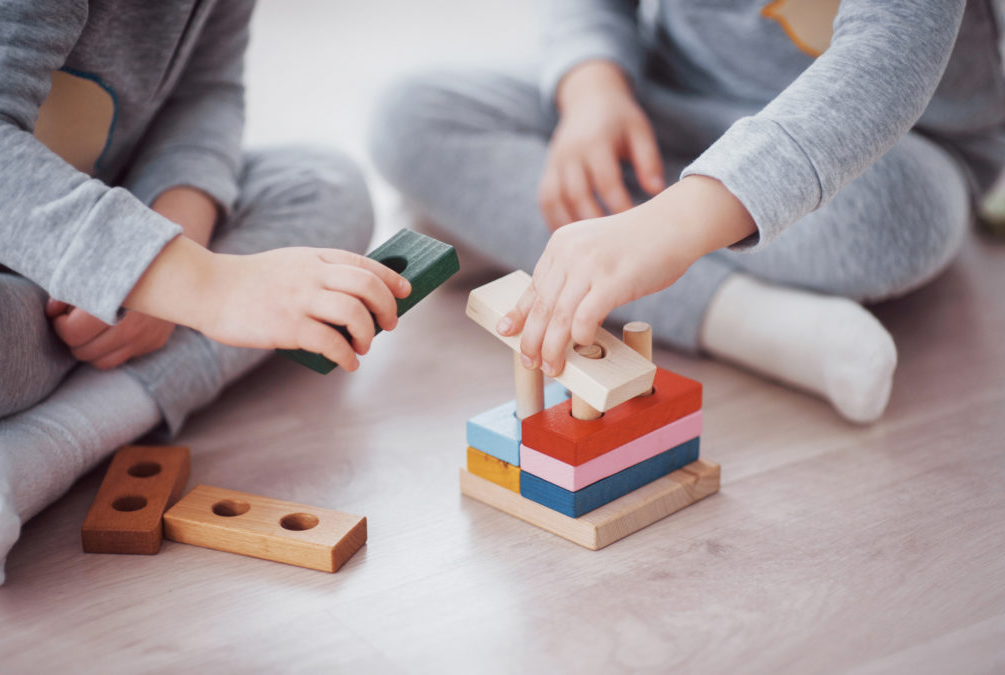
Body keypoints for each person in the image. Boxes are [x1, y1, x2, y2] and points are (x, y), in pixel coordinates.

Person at [0, 0, 409, 587]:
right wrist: (203, 287)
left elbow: (204, 93)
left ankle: (32, 442)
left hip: (90, 227)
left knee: (325, 186)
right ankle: (4, 429)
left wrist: (173, 234)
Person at [371, 0, 1003, 422]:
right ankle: (738, 317)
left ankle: (540, 232)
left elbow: (885, 63)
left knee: (888, 224)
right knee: (410, 114)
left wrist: (671, 226)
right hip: (666, 101)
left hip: (886, 146)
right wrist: (592, 87)